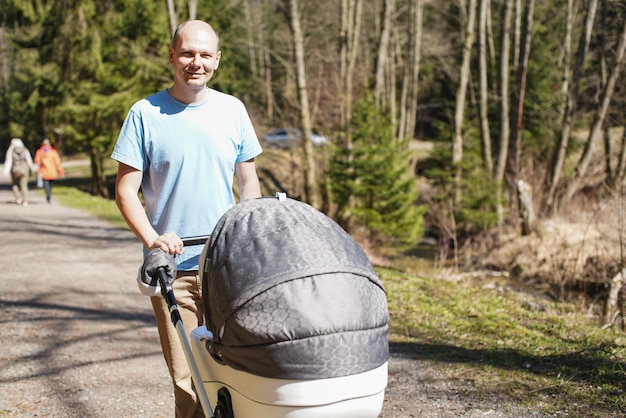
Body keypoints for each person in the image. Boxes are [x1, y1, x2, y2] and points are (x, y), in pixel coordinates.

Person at [111, 19, 262, 418]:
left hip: (227, 267)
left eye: (205, 54)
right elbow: (125, 191)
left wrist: (249, 227)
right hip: (172, 273)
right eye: (188, 53)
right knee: (191, 384)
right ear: (172, 56)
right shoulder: (145, 113)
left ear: (217, 59)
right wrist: (154, 239)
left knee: (238, 378)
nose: (196, 62)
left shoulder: (233, 110)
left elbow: (249, 182)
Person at [3, 138, 34, 206]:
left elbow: (9, 161)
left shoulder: (11, 151)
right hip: (24, 171)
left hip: (15, 171)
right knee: (24, 186)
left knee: (15, 185)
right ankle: (25, 200)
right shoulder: (25, 150)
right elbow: (29, 160)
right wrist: (31, 168)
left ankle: (18, 198)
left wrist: (6, 171)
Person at [33, 138, 65, 203]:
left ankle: (48, 196)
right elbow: (57, 163)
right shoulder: (53, 152)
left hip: (43, 172)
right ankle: (49, 195)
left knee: (46, 185)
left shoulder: (40, 152)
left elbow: (36, 161)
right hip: (52, 172)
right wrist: (61, 171)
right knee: (50, 185)